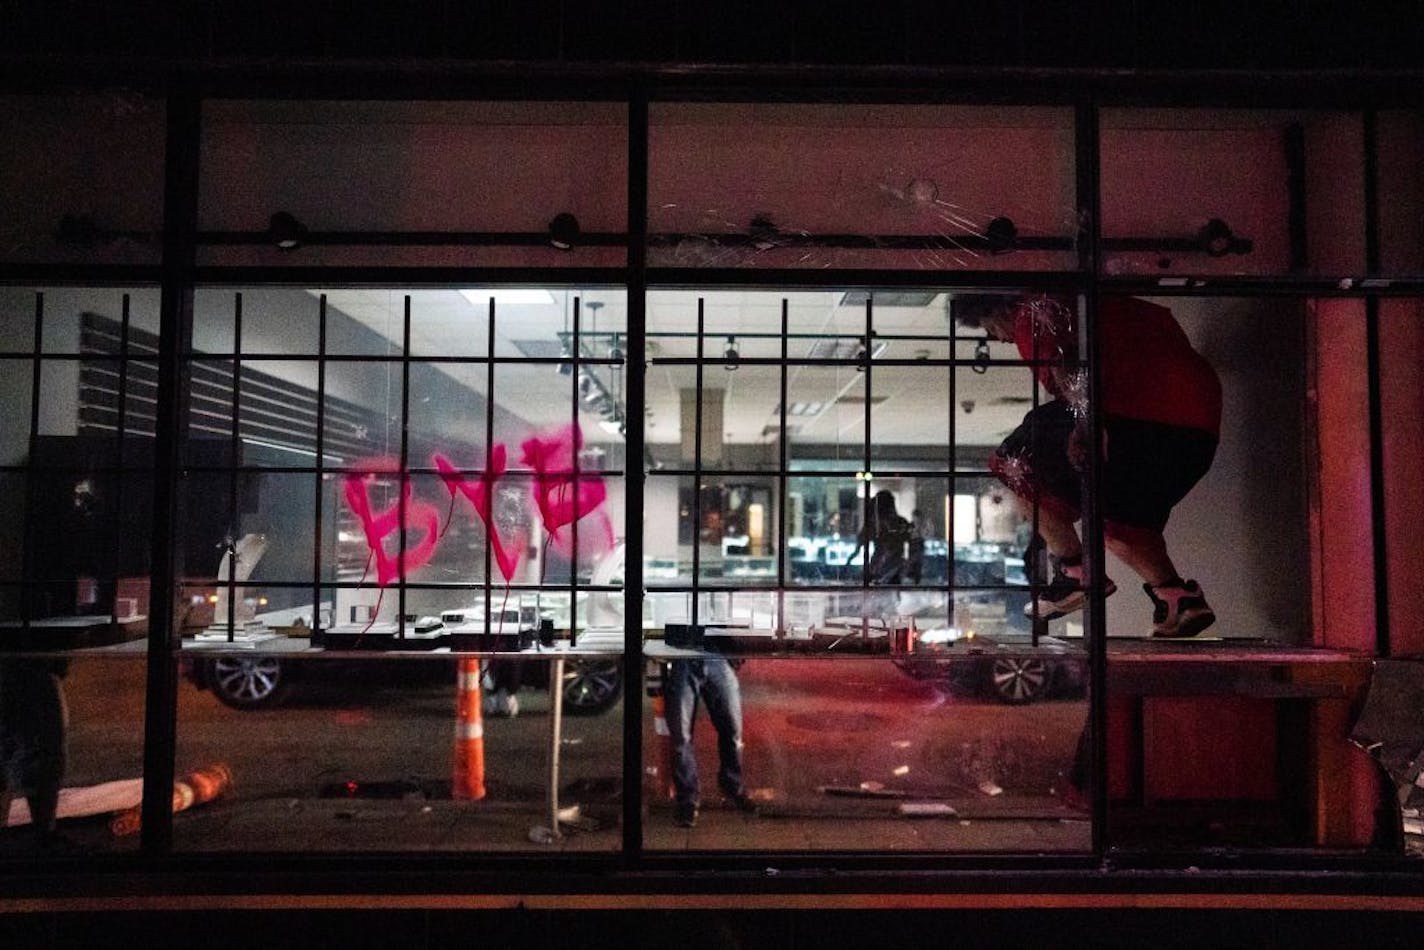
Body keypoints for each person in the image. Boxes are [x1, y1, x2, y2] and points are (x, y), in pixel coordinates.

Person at [954, 293, 1221, 638]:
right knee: (1123, 525)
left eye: (992, 330)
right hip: (1197, 428)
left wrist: (1085, 425)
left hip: (1129, 413)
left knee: (1014, 462)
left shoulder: (1034, 311)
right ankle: (1177, 598)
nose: (1001, 340)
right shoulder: (1105, 307)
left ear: (1000, 308)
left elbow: (1070, 362)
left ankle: (1075, 571)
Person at [663, 655, 757, 828]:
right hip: (690, 655)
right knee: (681, 736)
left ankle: (727, 785)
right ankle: (689, 798)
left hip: (707, 654)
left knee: (732, 729)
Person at [0, 658, 69, 848]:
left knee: (42, 753)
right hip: (37, 664)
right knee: (44, 752)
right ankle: (45, 835)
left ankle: (45, 835)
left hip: (33, 663)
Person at [844, 490, 913, 586]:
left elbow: (861, 541)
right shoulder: (896, 522)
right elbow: (909, 542)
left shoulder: (876, 523)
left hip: (884, 567)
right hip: (888, 567)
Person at [906, 508, 933, 584]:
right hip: (912, 547)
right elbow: (908, 536)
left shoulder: (922, 526)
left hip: (919, 547)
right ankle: (911, 576)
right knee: (912, 563)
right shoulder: (910, 525)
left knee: (918, 564)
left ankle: (916, 579)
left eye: (917, 517)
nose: (916, 519)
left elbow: (927, 535)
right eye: (915, 517)